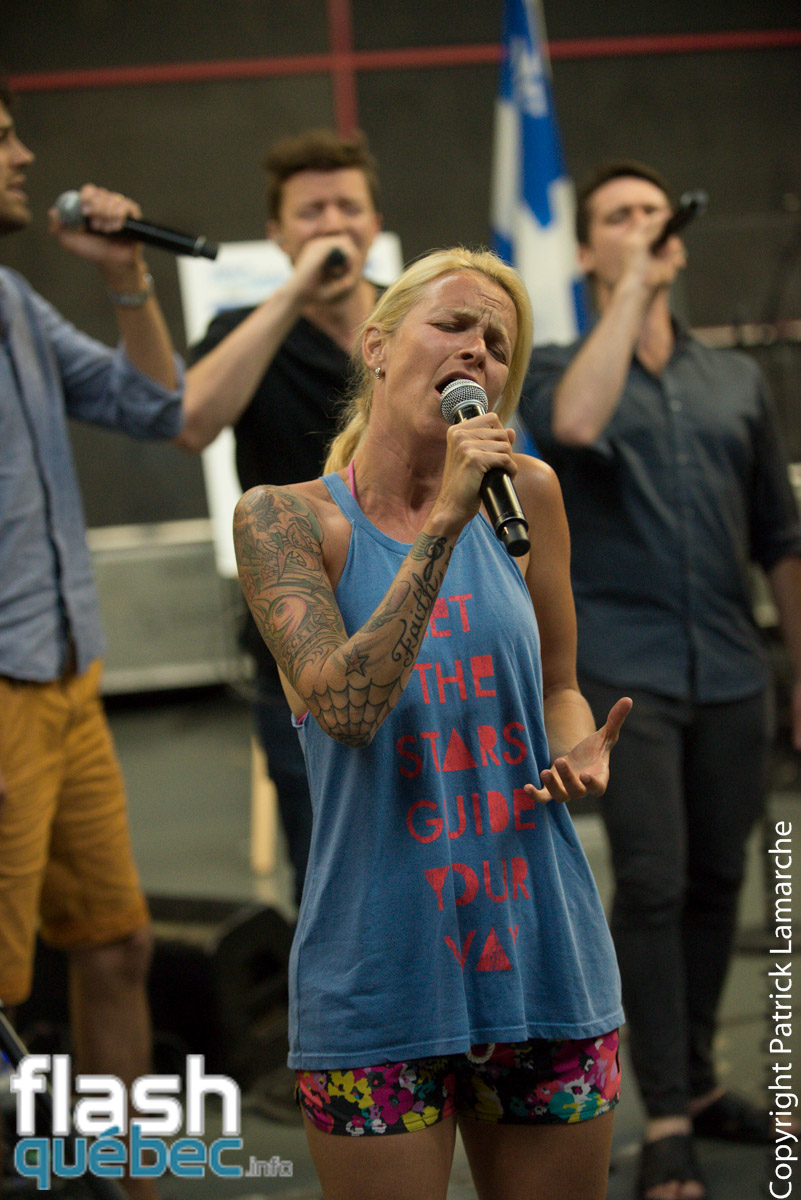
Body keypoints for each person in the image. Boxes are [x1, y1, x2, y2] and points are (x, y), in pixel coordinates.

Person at [232, 246, 632, 1200]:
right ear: (376, 345)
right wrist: (445, 519)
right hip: (377, 974)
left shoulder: (528, 495)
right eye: (452, 324)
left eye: (496, 342)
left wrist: (573, 746)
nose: (475, 351)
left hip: (541, 953)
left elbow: (559, 686)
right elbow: (344, 709)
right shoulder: (283, 522)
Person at [519, 160, 801, 1200]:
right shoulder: (556, 367)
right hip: (622, 676)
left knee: (722, 880)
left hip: (730, 666)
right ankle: (667, 1115)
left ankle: (705, 1080)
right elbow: (577, 426)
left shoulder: (732, 381)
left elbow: (780, 535)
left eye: (652, 211)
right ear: (586, 249)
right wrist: (631, 288)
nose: (643, 224)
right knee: (651, 881)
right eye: (618, 217)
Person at [0, 79, 183, 1200]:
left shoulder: (14, 300)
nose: (25, 155)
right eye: (1, 138)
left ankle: (129, 1187)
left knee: (116, 945)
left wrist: (126, 276)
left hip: (66, 675)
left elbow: (157, 406)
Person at [179, 128, 384, 909]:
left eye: (348, 207)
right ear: (277, 233)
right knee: (331, 887)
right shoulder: (246, 328)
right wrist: (294, 293)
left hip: (425, 630)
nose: (333, 225)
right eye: (311, 212)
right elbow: (192, 421)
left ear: (374, 221)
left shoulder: (414, 319)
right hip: (298, 653)